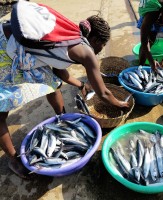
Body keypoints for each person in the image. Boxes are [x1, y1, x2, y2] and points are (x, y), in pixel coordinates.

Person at [0, 3, 129, 179]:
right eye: (101, 46)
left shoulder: (69, 34)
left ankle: (62, 119)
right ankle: (14, 159)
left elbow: (58, 72)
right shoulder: (86, 52)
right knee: (1, 109)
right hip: (5, 49)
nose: (98, 52)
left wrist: (81, 85)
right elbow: (104, 94)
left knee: (52, 83)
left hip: (10, 37)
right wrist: (121, 104)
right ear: (97, 41)